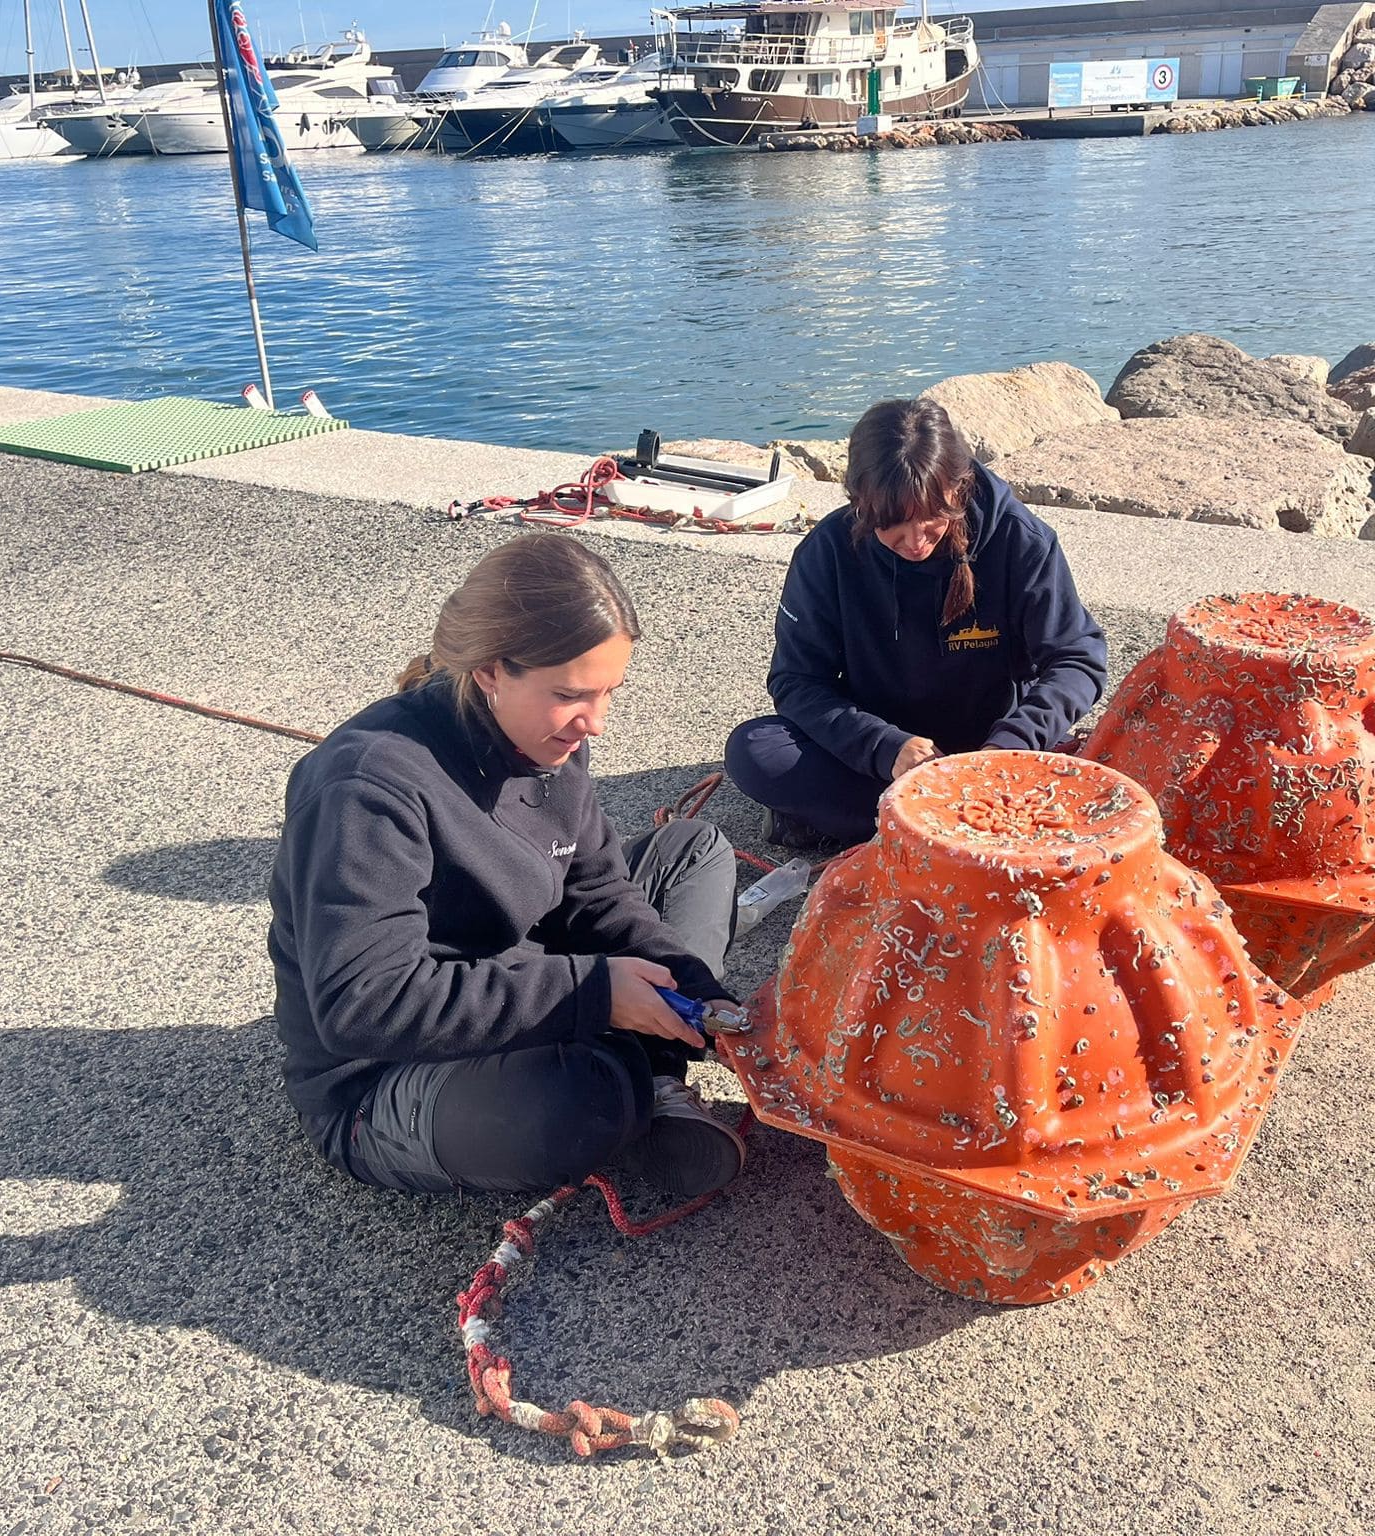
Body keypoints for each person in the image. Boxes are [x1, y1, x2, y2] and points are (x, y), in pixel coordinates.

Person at [269, 533, 747, 1200]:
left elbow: (599, 894)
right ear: (491, 670)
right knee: (571, 1105)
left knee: (694, 849)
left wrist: (702, 994)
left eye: (610, 693)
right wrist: (594, 993)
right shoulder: (365, 787)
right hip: (385, 1074)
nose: (597, 723)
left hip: (518, 973)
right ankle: (639, 1073)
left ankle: (655, 1066)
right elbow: (363, 1005)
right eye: (574, 695)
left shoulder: (548, 736)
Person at [726, 397, 1108, 848]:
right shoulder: (826, 551)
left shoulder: (1020, 539)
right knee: (754, 750)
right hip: (881, 751)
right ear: (859, 500)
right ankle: (957, 826)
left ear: (959, 490)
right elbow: (796, 681)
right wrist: (885, 747)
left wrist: (1014, 743)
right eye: (892, 525)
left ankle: (874, 824)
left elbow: (1078, 658)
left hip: (994, 749)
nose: (915, 542)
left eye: (933, 519)